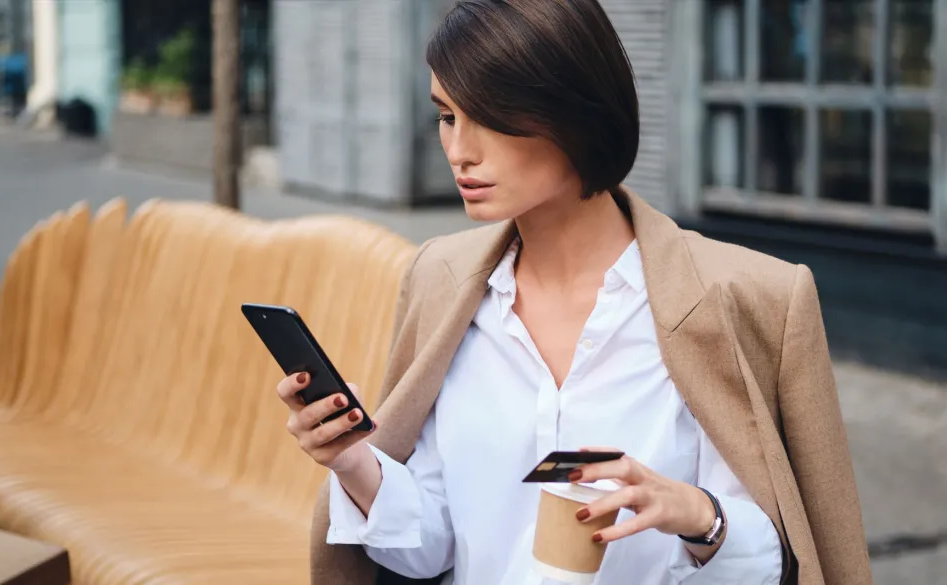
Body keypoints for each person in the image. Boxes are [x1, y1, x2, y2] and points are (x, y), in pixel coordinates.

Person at [278, 1, 872, 584]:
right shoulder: (443, 280)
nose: (460, 151)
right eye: (447, 116)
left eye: (491, 116)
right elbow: (432, 550)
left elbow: (780, 562)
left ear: (576, 114)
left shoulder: (747, 296)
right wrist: (353, 461)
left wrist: (699, 517)